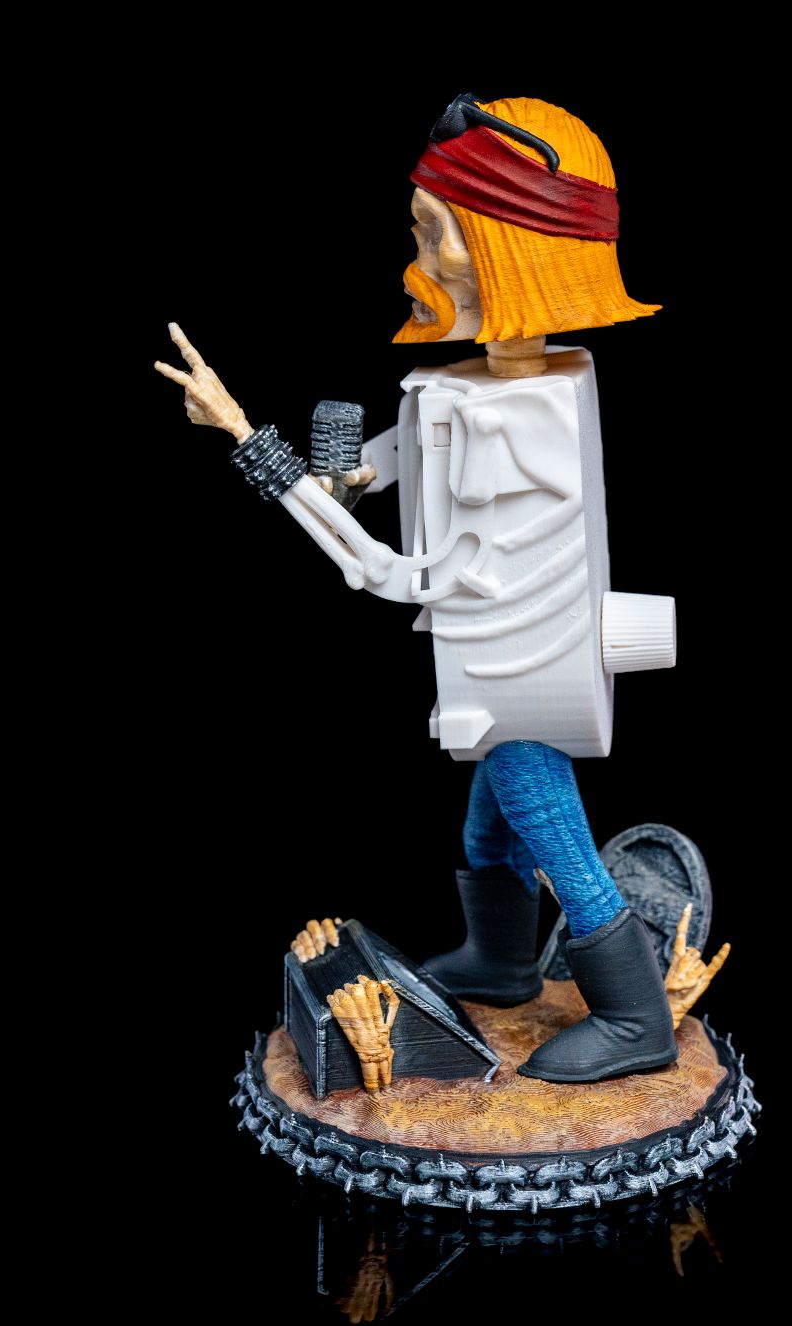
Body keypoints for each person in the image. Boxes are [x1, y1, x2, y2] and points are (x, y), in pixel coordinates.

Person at [155, 94, 678, 1083]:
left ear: (510, 249)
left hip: (521, 665)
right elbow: (424, 446)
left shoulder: (522, 421)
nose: (418, 263)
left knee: (536, 802)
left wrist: (247, 439)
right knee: (488, 819)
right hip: (507, 656)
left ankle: (634, 1015)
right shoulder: (510, 386)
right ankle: (503, 961)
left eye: (435, 235)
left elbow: (381, 570)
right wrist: (356, 472)